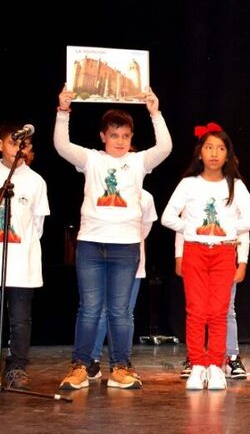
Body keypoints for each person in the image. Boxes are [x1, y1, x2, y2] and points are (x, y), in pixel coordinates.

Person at [55, 85, 171, 390]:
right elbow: (61, 145)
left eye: (125, 136)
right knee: (90, 308)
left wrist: (155, 113)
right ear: (103, 136)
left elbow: (165, 148)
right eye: (114, 135)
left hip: (126, 247)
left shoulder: (137, 162)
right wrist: (63, 111)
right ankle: (81, 366)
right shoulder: (90, 160)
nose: (120, 141)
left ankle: (120, 367)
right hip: (91, 244)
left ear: (132, 138)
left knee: (120, 311)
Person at [162, 123, 250, 391]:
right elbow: (168, 217)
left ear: (228, 155)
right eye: (209, 147)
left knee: (218, 312)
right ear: (199, 153)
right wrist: (190, 228)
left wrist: (227, 229)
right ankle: (197, 364)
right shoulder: (188, 184)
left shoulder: (235, 185)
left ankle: (216, 365)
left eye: (221, 148)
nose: (214, 153)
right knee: (196, 311)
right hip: (195, 250)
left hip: (224, 252)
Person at [0, 123, 49, 390]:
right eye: (12, 142)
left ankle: (17, 366)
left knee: (20, 319)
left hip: (21, 262)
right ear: (1, 145)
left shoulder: (35, 181)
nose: (18, 148)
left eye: (23, 144)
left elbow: (38, 226)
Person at [89, 189, 156, 381]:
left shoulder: (145, 197)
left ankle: (121, 362)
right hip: (102, 259)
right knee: (100, 311)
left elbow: (144, 229)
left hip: (131, 262)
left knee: (124, 313)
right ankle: (92, 360)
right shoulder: (100, 189)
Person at [175, 230, 250, 380]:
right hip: (196, 255)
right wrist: (179, 256)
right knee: (196, 309)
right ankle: (196, 359)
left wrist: (242, 261)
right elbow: (183, 226)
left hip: (224, 257)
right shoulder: (192, 205)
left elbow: (244, 229)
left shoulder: (233, 205)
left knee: (224, 310)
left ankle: (230, 356)